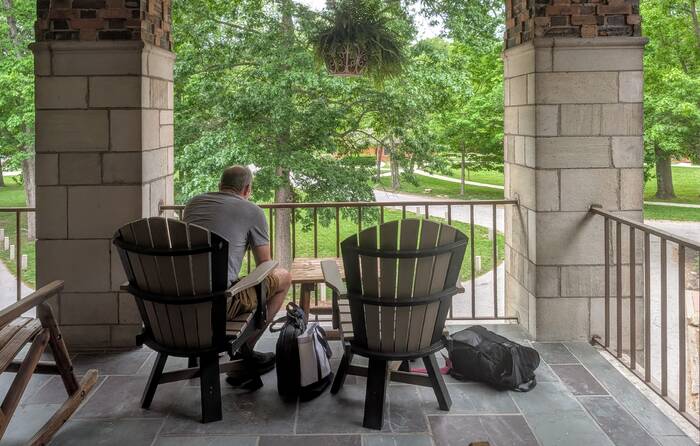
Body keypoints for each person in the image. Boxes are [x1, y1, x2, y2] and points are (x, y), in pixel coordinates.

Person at [183, 165, 291, 386]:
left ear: (220, 185)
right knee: (283, 277)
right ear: (247, 189)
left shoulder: (193, 204)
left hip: (179, 303)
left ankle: (222, 352)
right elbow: (265, 266)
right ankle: (244, 352)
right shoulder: (252, 211)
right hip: (220, 304)